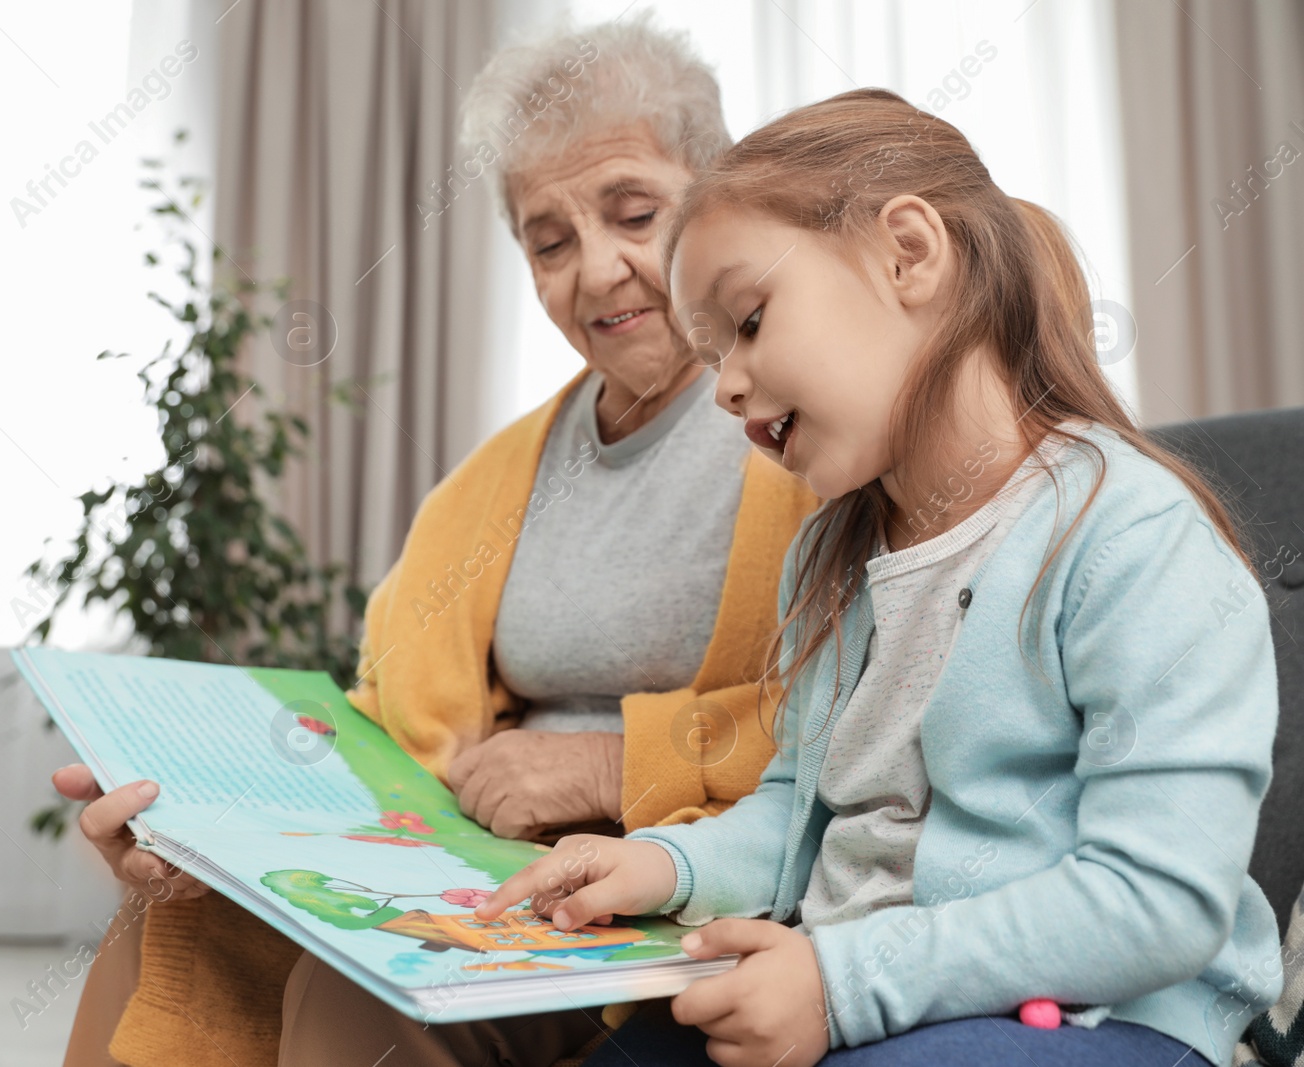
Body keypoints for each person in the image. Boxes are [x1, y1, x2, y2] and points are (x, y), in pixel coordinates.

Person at [52, 16, 820, 1067]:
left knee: (348, 1002)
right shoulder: (493, 480)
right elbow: (393, 733)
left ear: (718, 199)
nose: (596, 271)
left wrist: (610, 764)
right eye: (547, 241)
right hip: (466, 863)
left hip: (658, 882)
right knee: (172, 929)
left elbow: (864, 717)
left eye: (633, 212)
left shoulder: (801, 428)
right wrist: (201, 824)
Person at [478, 87, 1283, 1067]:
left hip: (1103, 1019)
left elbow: (1157, 901)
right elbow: (797, 814)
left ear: (908, 253)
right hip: (870, 989)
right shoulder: (829, 556)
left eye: (749, 319)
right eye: (710, 353)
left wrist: (841, 981)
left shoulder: (1132, 542)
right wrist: (662, 863)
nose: (725, 382)